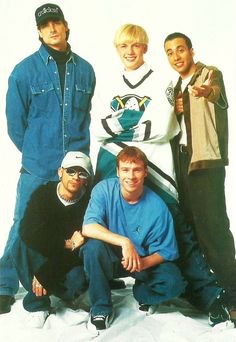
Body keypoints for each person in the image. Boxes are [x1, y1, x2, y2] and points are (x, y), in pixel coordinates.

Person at [90, 24, 230, 326]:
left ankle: (209, 296)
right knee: (105, 226)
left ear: (145, 48)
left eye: (136, 45)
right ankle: (105, 295)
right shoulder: (108, 82)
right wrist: (137, 127)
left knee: (180, 232)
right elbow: (97, 128)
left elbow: (164, 126)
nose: (130, 52)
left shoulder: (162, 81)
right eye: (123, 46)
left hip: (157, 169)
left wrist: (121, 126)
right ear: (117, 50)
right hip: (118, 164)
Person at [0, 3, 96, 314]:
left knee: (82, 224)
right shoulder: (24, 71)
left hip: (76, 168)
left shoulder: (86, 70)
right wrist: (37, 151)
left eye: (57, 23)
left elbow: (87, 117)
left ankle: (88, 273)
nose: (52, 29)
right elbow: (16, 125)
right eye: (45, 26)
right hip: (38, 165)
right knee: (23, 225)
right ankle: (4, 285)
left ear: (67, 26)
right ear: (39, 32)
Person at [164, 32, 236, 323]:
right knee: (191, 225)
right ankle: (207, 289)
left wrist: (206, 93)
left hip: (205, 163)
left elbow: (217, 95)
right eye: (169, 52)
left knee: (214, 228)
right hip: (182, 161)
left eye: (180, 49)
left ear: (192, 51)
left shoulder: (209, 74)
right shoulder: (174, 86)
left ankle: (232, 291)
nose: (176, 56)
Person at [81, 146, 186, 330]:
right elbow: (88, 227)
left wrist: (142, 264)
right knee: (93, 248)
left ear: (145, 172)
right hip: (110, 257)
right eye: (125, 170)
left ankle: (142, 294)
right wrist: (124, 242)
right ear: (117, 171)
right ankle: (101, 308)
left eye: (137, 169)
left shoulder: (158, 207)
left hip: (140, 261)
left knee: (174, 282)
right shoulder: (103, 189)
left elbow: (166, 251)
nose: (131, 176)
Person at [11, 151, 93, 328]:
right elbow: (27, 232)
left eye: (82, 173)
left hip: (69, 262)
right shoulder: (43, 194)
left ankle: (67, 296)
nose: (75, 177)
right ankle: (38, 304)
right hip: (47, 254)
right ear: (60, 172)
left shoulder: (90, 201)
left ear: (87, 178)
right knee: (19, 244)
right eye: (71, 171)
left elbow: (79, 250)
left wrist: (46, 274)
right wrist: (66, 243)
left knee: (80, 275)